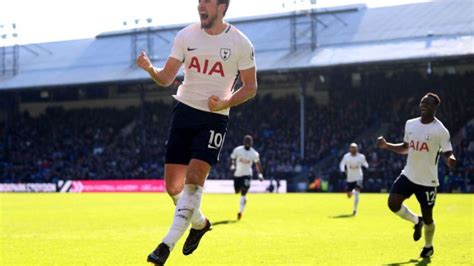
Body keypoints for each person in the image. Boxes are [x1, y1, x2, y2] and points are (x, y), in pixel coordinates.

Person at [136, 0, 257, 264]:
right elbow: (167, 78)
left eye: (207, 2)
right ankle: (200, 223)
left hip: (214, 118)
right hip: (183, 113)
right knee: (173, 187)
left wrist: (225, 102)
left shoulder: (240, 43)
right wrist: (149, 69)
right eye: (199, 1)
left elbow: (250, 88)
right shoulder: (186, 35)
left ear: (222, 7)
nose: (200, 5)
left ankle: (165, 245)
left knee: (194, 179)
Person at [377, 93, 456, 258]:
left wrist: (451, 159)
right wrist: (387, 146)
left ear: (435, 107)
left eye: (427, 103)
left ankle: (428, 247)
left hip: (428, 181)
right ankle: (415, 220)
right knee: (393, 203)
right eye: (422, 102)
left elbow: (448, 153)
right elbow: (406, 148)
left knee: (429, 218)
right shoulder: (410, 124)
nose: (423, 105)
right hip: (409, 175)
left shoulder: (440, 131)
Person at [230, 135, 263, 220]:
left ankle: (240, 212)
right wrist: (232, 165)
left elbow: (257, 164)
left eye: (249, 141)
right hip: (237, 174)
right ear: (244, 142)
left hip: (247, 174)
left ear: (251, 142)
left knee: (244, 192)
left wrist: (260, 174)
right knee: (237, 191)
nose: (248, 143)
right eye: (246, 141)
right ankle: (241, 194)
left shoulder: (254, 153)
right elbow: (232, 158)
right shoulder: (237, 150)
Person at [339, 142, 368, 215]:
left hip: (359, 176)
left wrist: (365, 167)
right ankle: (352, 192)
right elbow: (342, 164)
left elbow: (366, 164)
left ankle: (355, 210)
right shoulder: (346, 156)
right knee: (349, 195)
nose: (353, 149)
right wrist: (342, 171)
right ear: (350, 149)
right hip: (350, 178)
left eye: (354, 148)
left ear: (357, 148)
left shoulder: (361, 157)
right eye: (352, 148)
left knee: (357, 193)